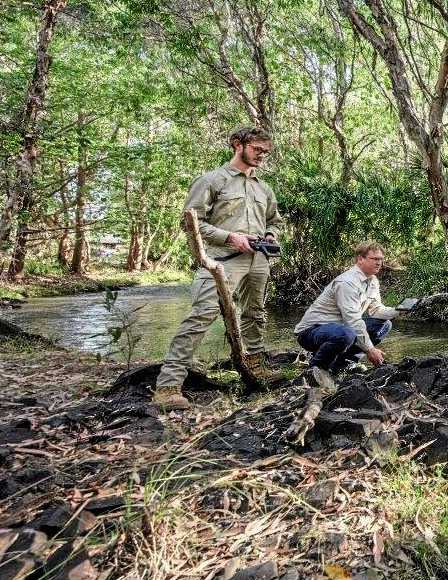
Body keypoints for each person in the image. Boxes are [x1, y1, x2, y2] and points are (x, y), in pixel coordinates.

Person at [152, 127, 283, 411]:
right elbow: (190, 222)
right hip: (221, 262)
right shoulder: (212, 180)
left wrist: (270, 236)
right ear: (238, 145)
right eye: (257, 149)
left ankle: (256, 370)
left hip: (259, 261)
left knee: (255, 314)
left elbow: (274, 221)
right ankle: (168, 386)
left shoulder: (264, 187)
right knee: (202, 315)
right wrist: (230, 237)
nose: (262, 155)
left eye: (266, 152)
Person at [294, 241, 399, 378]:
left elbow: (377, 311)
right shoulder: (347, 282)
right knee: (346, 334)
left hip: (340, 327)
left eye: (381, 259)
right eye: (374, 259)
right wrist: (370, 350)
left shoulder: (372, 281)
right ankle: (316, 369)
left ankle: (343, 363)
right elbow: (353, 321)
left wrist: (399, 310)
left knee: (384, 324)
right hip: (310, 332)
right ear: (360, 259)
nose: (379, 263)